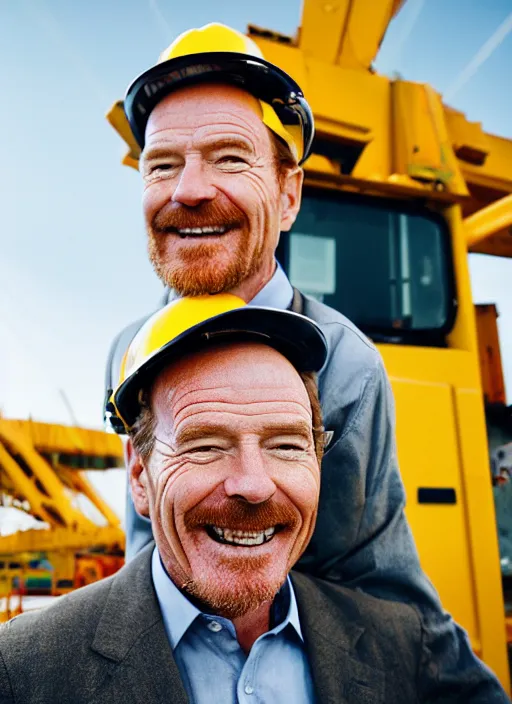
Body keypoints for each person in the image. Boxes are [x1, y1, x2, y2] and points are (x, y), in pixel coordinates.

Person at [103, 23, 508, 698]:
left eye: (230, 158)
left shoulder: (345, 367)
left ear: (289, 195)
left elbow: (380, 597)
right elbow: (145, 560)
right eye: (162, 164)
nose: (189, 190)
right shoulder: (127, 351)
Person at [0, 296, 503, 702]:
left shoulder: (403, 647)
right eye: (206, 445)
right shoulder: (22, 672)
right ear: (139, 473)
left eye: (285, 445)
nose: (254, 484)